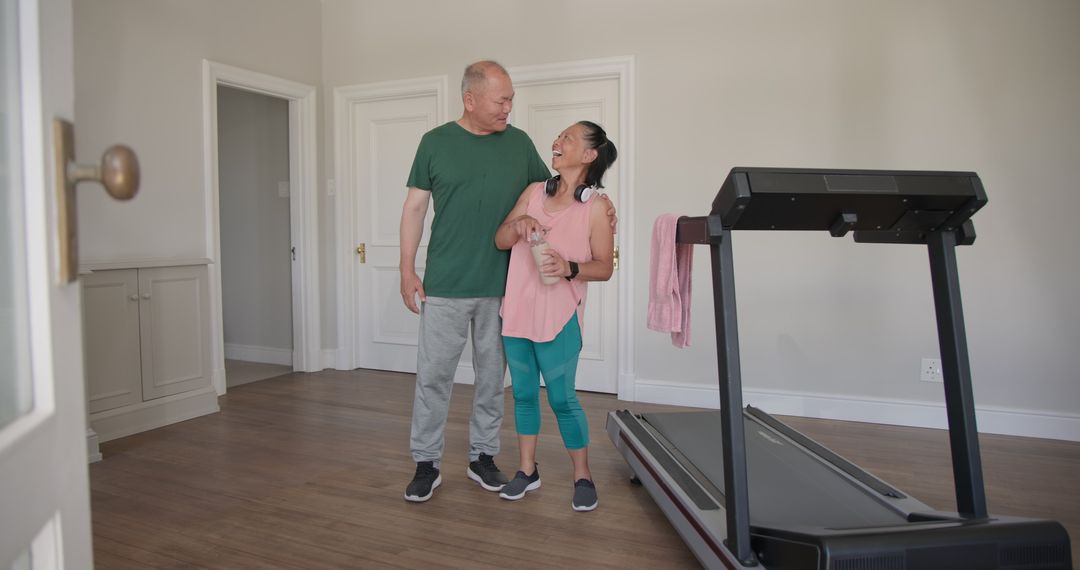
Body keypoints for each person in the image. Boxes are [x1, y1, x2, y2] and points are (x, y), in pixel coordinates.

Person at [399, 61, 618, 502]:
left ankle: (483, 456)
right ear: (470, 99)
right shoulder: (434, 143)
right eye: (501, 101)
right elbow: (415, 208)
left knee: (492, 381)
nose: (508, 108)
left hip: (504, 289)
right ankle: (426, 462)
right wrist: (407, 269)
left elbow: (559, 188)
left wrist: (604, 201)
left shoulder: (518, 143)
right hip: (445, 282)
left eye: (511, 99)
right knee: (434, 377)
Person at [493, 120, 617, 512]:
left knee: (562, 398)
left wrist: (569, 268)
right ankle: (527, 470)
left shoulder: (597, 208)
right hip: (518, 310)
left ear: (589, 154)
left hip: (560, 316)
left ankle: (583, 475)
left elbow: (605, 267)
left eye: (568, 138)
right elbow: (500, 239)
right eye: (559, 136)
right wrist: (518, 224)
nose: (557, 141)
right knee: (524, 394)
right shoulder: (533, 192)